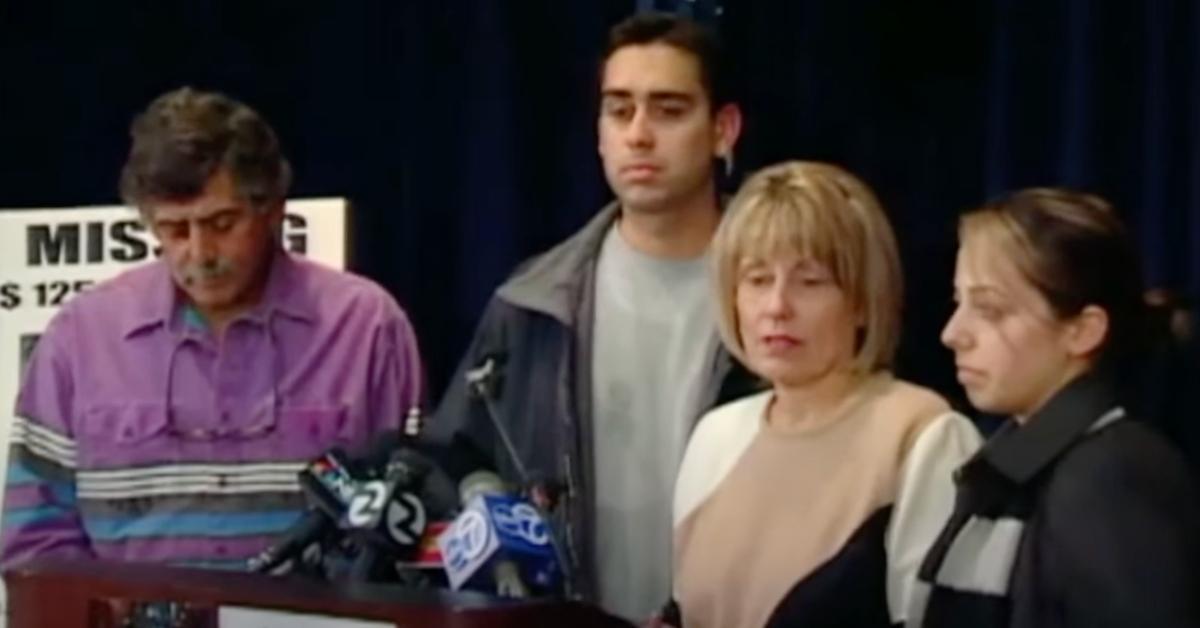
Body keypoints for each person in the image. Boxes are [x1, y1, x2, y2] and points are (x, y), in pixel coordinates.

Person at [1, 87, 424, 569]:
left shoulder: (365, 328)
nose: (199, 254)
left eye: (222, 223)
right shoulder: (80, 338)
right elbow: (35, 543)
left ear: (273, 210)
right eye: (176, 230)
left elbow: (412, 532)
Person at [428, 12, 754, 619]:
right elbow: (454, 458)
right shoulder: (530, 303)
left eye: (669, 109)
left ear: (723, 129)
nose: (638, 134)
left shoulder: (785, 298)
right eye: (619, 109)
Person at [668, 161, 981, 628]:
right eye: (756, 280)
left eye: (810, 281)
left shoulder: (924, 435)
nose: (777, 307)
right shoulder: (716, 435)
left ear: (860, 301)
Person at [912, 188, 1200, 627]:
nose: (953, 333)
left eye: (989, 309)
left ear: (1082, 332)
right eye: (959, 302)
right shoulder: (1014, 466)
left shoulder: (1113, 474)